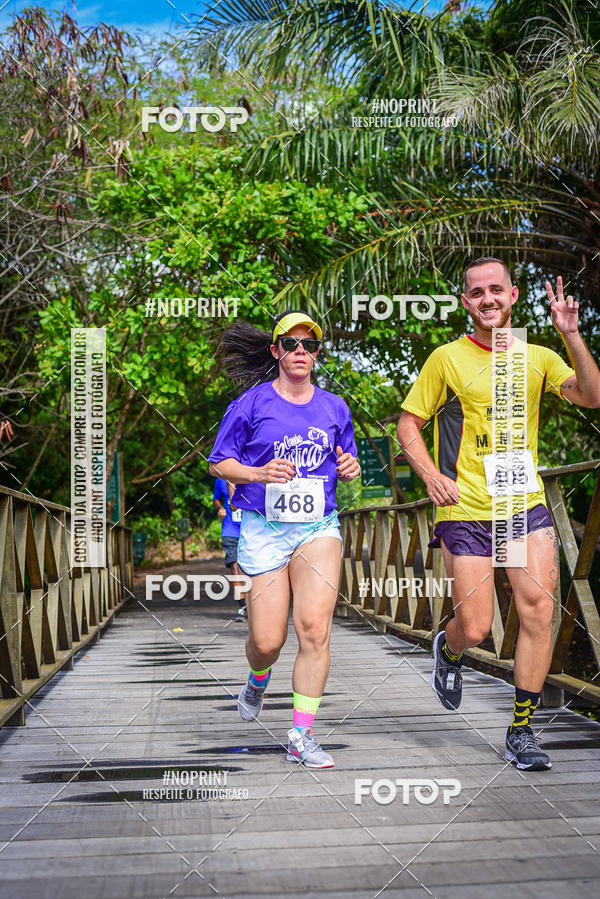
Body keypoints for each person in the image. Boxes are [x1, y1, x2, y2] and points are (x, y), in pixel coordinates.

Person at [397, 258, 600, 771]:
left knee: (537, 609)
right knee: (478, 624)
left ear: (513, 296)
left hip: (521, 501)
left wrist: (572, 335)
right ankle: (451, 647)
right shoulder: (446, 358)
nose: (487, 299)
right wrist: (429, 476)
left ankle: (522, 729)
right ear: (466, 303)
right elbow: (408, 425)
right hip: (463, 505)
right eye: (476, 292)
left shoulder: (537, 356)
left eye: (496, 290)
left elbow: (593, 397)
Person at [208, 310, 361, 768]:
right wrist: (258, 472)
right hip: (262, 527)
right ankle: (257, 678)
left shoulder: (335, 407)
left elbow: (345, 457)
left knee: (314, 629)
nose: (301, 351)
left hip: (317, 527)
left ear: (317, 353)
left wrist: (351, 467)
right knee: (268, 641)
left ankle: (301, 734)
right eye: (291, 343)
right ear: (275, 351)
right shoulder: (251, 404)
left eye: (309, 345)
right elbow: (219, 464)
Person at [213, 476, 247, 621]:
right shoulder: (221, 479)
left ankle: (254, 604)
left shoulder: (253, 474)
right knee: (235, 566)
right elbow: (216, 499)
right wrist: (220, 508)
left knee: (249, 569)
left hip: (250, 529)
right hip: (230, 530)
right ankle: (242, 606)